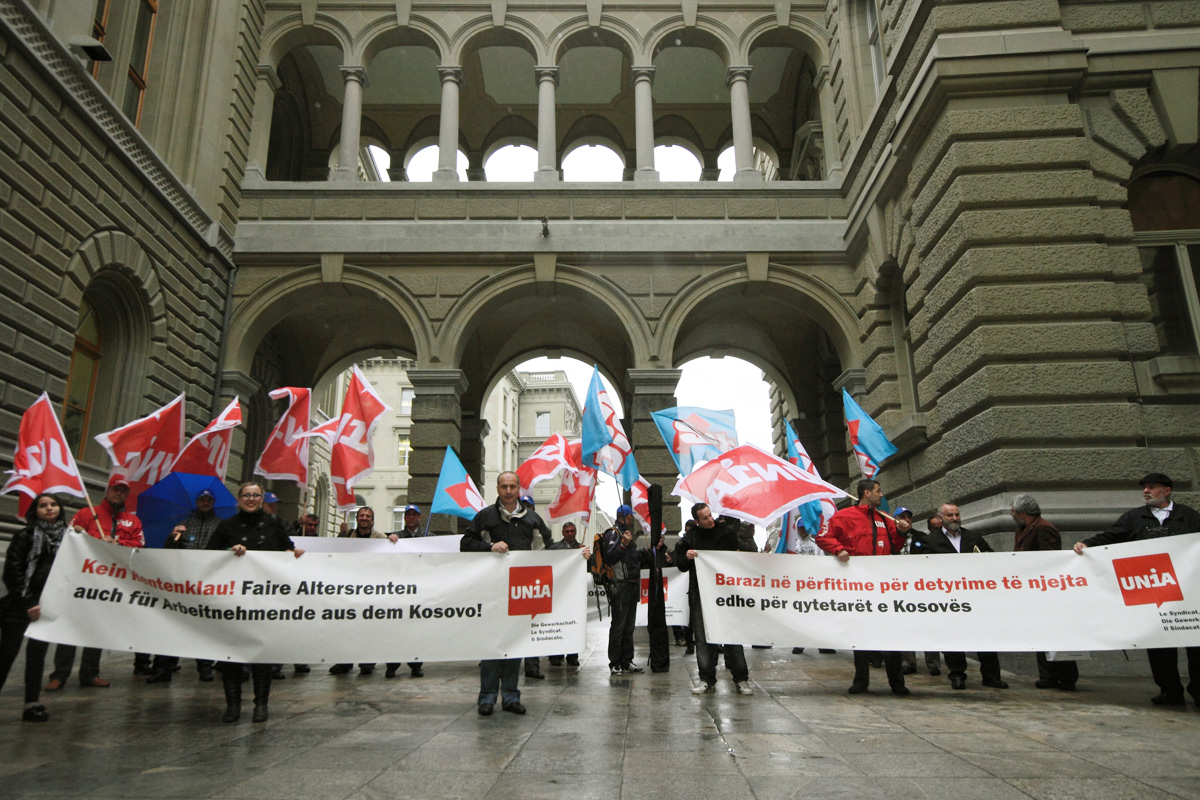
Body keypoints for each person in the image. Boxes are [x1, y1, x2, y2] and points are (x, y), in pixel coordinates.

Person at [1075, 473, 1200, 706]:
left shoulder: (1188, 516)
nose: (1146, 491)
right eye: (1144, 488)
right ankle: (1169, 690)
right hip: (1154, 592)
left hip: (1190, 593)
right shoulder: (1134, 518)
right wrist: (1088, 544)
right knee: (1159, 643)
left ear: (1167, 490)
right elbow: (1111, 536)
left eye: (1152, 487)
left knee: (1196, 643)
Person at [208, 481, 304, 723]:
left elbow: (287, 550)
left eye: (256, 495)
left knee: (262, 654)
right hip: (233, 600)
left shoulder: (275, 524)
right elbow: (209, 556)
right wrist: (229, 550)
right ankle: (233, 705)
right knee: (231, 654)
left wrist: (295, 555)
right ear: (239, 499)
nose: (251, 499)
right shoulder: (226, 525)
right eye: (246, 495)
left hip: (264, 601)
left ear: (262, 499)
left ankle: (261, 704)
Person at [460, 471, 549, 715]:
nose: (508, 491)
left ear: (519, 489)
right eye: (503, 486)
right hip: (492, 591)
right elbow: (465, 544)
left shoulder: (532, 519)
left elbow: (549, 551)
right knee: (492, 646)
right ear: (497, 489)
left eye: (512, 486)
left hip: (521, 592)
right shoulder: (485, 516)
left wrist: (576, 556)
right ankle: (486, 698)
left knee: (513, 646)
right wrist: (489, 546)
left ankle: (510, 697)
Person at [816, 479, 909, 696]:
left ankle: (897, 682)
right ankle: (861, 681)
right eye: (878, 491)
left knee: (890, 634)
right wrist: (838, 549)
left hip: (883, 585)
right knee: (860, 633)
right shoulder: (844, 516)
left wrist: (901, 532)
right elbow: (822, 536)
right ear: (867, 493)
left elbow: (894, 546)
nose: (881, 494)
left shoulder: (884, 517)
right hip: (858, 586)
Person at [51, 475, 144, 687]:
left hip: (109, 583)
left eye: (123, 490)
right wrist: (78, 533)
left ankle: (90, 673)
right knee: (70, 627)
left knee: (97, 628)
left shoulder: (133, 521)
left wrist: (117, 542)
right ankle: (59, 675)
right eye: (115, 489)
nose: (119, 493)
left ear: (127, 495)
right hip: (81, 581)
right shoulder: (86, 514)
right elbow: (68, 540)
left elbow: (140, 546)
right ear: (107, 491)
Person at [914, 502, 1008, 690]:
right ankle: (957, 675)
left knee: (984, 635)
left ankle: (991, 676)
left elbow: (991, 558)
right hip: (948, 599)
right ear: (940, 518)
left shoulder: (973, 537)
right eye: (950, 515)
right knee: (952, 636)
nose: (955, 518)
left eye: (957, 514)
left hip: (975, 598)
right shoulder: (930, 541)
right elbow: (923, 568)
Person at [0, 493, 69, 722]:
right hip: (21, 605)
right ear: (35, 510)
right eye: (43, 506)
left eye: (53, 505)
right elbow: (13, 571)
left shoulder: (69, 539)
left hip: (47, 605)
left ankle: (32, 703)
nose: (49, 509)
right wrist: (28, 601)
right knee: (6, 655)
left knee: (37, 657)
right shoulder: (25, 536)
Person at [675, 503, 754, 696]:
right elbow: (680, 563)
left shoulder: (727, 533)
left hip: (725, 594)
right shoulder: (691, 538)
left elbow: (750, 551)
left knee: (732, 636)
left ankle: (741, 679)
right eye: (705, 518)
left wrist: (740, 552)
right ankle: (706, 679)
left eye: (710, 515)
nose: (710, 520)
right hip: (700, 594)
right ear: (697, 521)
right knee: (702, 638)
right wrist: (685, 556)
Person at [146, 489, 222, 683]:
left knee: (205, 625)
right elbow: (169, 550)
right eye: (202, 500)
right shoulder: (184, 524)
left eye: (208, 500)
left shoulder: (221, 525)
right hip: (182, 582)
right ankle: (165, 665)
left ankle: (205, 666)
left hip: (207, 582)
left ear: (213, 502)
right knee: (174, 623)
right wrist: (173, 536)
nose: (205, 503)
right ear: (197, 502)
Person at [1010, 494, 1078, 691]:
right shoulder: (1022, 529)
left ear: (1022, 513)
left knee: (1056, 634)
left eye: (1013, 512)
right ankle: (1047, 675)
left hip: (1045, 589)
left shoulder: (1043, 528)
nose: (1012, 515)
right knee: (1040, 633)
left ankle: (1066, 677)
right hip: (1031, 590)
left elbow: (1051, 559)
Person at [331, 506, 385, 676]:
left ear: (372, 520)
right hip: (349, 588)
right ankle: (344, 661)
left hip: (371, 589)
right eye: (361, 515)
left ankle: (367, 660)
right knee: (346, 626)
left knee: (368, 626)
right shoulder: (347, 536)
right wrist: (341, 534)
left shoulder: (381, 538)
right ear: (357, 518)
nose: (364, 518)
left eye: (368, 516)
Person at [602, 504, 654, 675]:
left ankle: (627, 660)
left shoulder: (627, 535)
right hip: (620, 584)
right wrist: (623, 544)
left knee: (629, 626)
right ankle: (614, 662)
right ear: (627, 516)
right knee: (618, 625)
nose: (632, 519)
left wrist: (646, 552)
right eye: (631, 516)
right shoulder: (613, 533)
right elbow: (609, 556)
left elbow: (631, 560)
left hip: (632, 583)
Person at [894, 507, 942, 676]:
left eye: (909, 517)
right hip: (898, 589)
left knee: (927, 624)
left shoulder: (922, 538)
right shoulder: (890, 540)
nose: (906, 520)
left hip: (921, 589)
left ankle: (933, 663)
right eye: (902, 517)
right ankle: (908, 662)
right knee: (904, 626)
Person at [384, 504, 426, 679]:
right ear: (404, 518)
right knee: (395, 630)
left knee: (417, 631)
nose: (411, 517)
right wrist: (390, 541)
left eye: (414, 515)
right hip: (400, 590)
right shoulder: (397, 537)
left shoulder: (427, 536)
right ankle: (392, 665)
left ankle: (416, 665)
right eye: (407, 514)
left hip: (421, 590)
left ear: (419, 517)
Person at [787, 517, 837, 656]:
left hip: (814, 585)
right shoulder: (793, 545)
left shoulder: (816, 544)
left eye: (805, 527)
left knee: (819, 614)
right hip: (798, 586)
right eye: (801, 527)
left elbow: (821, 562)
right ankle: (799, 643)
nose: (803, 530)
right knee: (800, 616)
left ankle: (822, 644)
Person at [548, 521, 586, 667]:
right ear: (563, 533)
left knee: (573, 624)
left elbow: (590, 567)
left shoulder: (581, 548)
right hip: (558, 592)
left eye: (572, 531)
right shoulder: (555, 548)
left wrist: (585, 556)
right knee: (557, 624)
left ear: (575, 532)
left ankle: (572, 656)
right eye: (567, 532)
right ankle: (555, 656)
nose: (570, 534)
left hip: (575, 593)